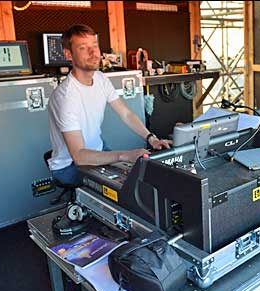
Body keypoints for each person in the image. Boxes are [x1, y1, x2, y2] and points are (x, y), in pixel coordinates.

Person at [48, 24, 170, 185]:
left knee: (141, 177)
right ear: (69, 54)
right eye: (83, 48)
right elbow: (79, 156)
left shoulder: (100, 78)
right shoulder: (65, 97)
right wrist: (124, 155)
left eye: (95, 46)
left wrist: (151, 138)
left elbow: (126, 114)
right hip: (69, 166)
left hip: (97, 151)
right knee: (125, 189)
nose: (93, 53)